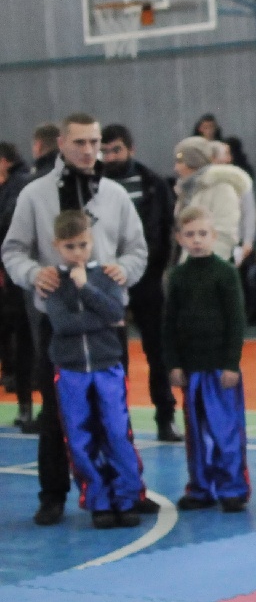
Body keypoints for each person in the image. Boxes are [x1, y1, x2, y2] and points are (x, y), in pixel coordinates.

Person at [2, 112, 148, 527]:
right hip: (59, 323)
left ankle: (125, 492)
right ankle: (52, 495)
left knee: (114, 413)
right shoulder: (34, 194)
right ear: (62, 144)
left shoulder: (115, 194)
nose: (88, 150)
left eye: (94, 142)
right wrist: (34, 274)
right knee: (56, 413)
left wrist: (124, 270)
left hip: (107, 322)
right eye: (80, 142)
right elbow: (13, 250)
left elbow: (137, 249)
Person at [43, 210, 145, 530]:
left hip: (107, 367)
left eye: (83, 245)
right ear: (57, 245)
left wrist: (86, 288)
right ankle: (99, 501)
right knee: (79, 437)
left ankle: (126, 498)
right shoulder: (52, 282)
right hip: (71, 371)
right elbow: (63, 324)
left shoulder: (106, 275)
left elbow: (116, 312)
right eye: (70, 246)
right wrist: (101, 318)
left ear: (92, 241)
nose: (77, 252)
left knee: (117, 432)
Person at [162, 207, 249, 513]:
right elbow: (169, 323)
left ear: (214, 236)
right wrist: (173, 363)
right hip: (192, 369)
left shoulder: (225, 273)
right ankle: (201, 488)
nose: (196, 240)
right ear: (179, 238)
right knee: (196, 435)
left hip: (220, 369)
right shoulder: (177, 276)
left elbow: (236, 321)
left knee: (226, 430)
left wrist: (231, 363)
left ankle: (232, 488)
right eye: (190, 234)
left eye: (202, 234)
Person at [100, 124, 182, 442]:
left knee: (157, 350)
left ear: (131, 149)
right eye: (105, 151)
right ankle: (116, 421)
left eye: (116, 150)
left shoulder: (153, 184)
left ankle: (165, 417)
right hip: (107, 280)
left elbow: (167, 226)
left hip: (147, 277)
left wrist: (159, 269)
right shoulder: (93, 184)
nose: (110, 157)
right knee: (113, 354)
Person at [0, 141, 35, 432]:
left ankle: (26, 403)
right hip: (14, 274)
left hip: (18, 276)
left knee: (23, 336)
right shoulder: (15, 186)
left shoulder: (18, 187)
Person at [172, 137, 246, 263]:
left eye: (180, 162)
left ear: (193, 162)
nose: (176, 168)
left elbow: (224, 235)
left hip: (210, 267)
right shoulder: (187, 191)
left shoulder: (222, 188)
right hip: (188, 265)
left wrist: (206, 267)